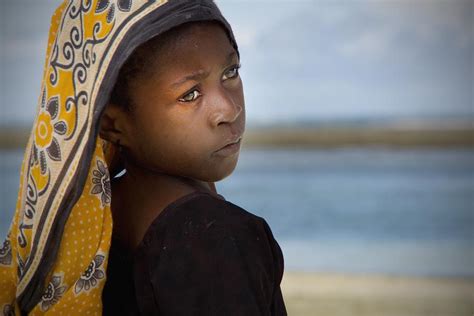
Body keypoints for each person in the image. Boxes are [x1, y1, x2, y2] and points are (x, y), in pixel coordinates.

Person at [0, 0, 287, 315]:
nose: (229, 110)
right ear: (112, 123)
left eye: (230, 72)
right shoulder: (213, 238)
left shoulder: (98, 227)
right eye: (189, 94)